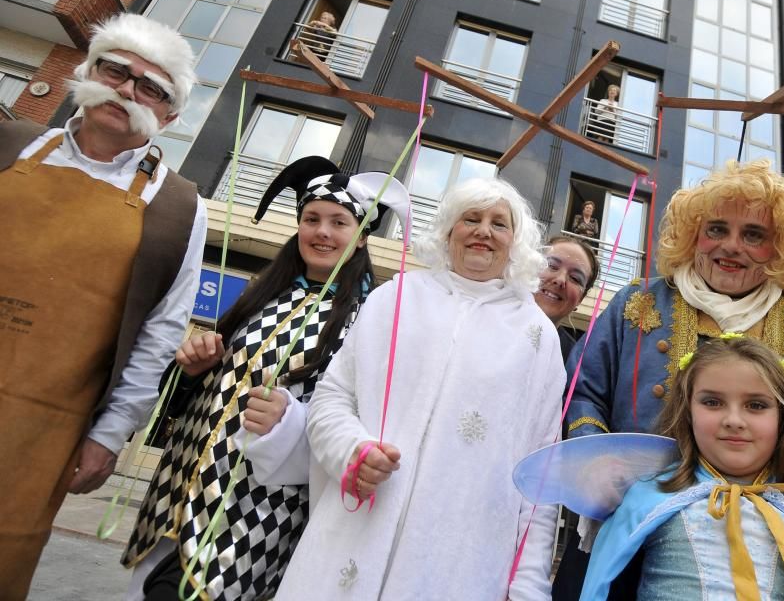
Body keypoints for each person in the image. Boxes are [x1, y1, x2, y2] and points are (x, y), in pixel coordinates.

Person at [554, 160, 784, 599]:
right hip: (631, 527)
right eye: (716, 229)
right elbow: (583, 391)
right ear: (693, 235)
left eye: (754, 235)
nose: (731, 246)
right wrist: (601, 466)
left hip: (775, 550)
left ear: (781, 246)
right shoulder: (637, 303)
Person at [121, 158, 409, 600]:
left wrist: (290, 420)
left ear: (363, 236)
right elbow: (195, 400)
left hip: (253, 517)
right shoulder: (263, 295)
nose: (322, 232)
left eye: (339, 222)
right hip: (179, 496)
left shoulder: (370, 321)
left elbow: (359, 423)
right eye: (311, 219)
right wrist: (192, 372)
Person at [274, 177, 566, 600]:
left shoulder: (537, 335)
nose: (483, 231)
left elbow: (541, 473)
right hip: (351, 541)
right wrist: (352, 452)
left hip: (459, 563)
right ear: (449, 231)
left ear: (516, 242)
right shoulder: (395, 297)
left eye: (499, 224)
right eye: (471, 218)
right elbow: (332, 399)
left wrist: (528, 586)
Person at [0, 12, 205, 597]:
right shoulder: (10, 143)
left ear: (170, 115)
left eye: (151, 87)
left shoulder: (178, 207)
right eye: (117, 69)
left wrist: (111, 434)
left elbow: (160, 332)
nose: (127, 89)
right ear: (86, 71)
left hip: (38, 430)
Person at [580, 336, 784, 601]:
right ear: (688, 411)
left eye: (756, 405)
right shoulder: (645, 501)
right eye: (712, 402)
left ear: (783, 417)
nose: (734, 419)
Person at [535, 236, 598, 359]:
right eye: (552, 265)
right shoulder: (489, 313)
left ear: (580, 299)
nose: (560, 280)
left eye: (575, 278)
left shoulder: (575, 363)